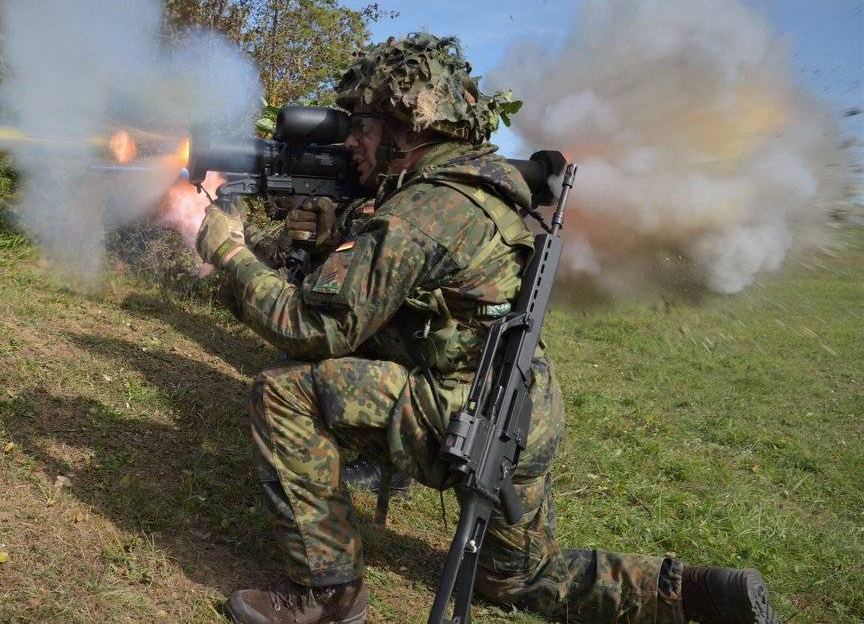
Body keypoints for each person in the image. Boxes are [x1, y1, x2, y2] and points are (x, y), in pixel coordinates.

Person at [195, 33, 776, 624]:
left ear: (409, 128)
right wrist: (332, 232)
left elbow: (312, 325)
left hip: (465, 414)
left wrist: (233, 255)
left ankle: (330, 596)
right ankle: (697, 594)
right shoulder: (479, 188)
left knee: (284, 394)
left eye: (364, 125)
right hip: (523, 410)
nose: (351, 139)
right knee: (520, 578)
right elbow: (417, 284)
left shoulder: (423, 211)